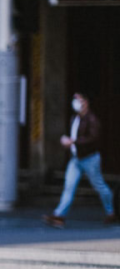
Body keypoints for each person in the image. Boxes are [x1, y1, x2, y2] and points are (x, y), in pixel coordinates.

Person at [43, 92, 116, 228]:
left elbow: (94, 138)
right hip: (76, 159)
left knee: (99, 186)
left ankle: (111, 211)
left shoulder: (92, 119)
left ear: (85, 102)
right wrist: (68, 142)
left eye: (79, 99)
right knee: (69, 187)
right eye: (74, 99)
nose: (76, 102)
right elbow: (74, 137)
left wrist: (74, 142)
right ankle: (59, 215)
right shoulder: (74, 118)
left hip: (90, 159)